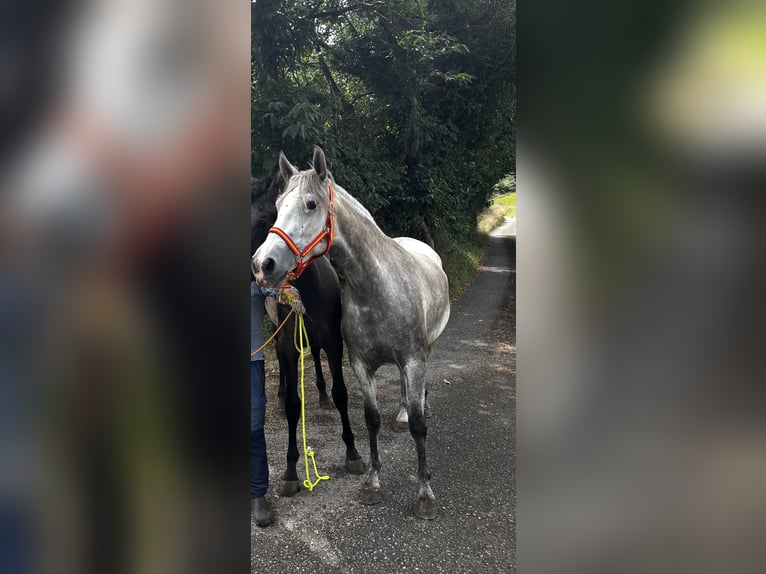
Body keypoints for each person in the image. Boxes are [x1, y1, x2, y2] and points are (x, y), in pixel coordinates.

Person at [251, 281, 274, 527]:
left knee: (253, 427)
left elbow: (280, 288)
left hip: (251, 361)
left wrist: (290, 293)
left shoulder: (256, 279)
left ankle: (258, 494)